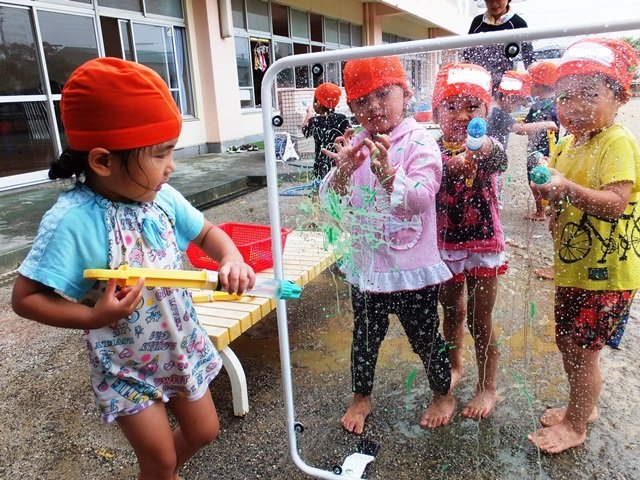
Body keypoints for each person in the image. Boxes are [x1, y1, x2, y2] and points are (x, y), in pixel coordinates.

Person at [11, 57, 256, 480]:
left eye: (172, 151)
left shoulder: (162, 197)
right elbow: (25, 298)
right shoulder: (72, 220)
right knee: (159, 461)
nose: (172, 166)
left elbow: (208, 233)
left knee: (205, 431)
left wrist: (230, 257)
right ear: (104, 161)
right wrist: (93, 316)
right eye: (161, 154)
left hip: (181, 348)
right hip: (124, 364)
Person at [318, 56, 455, 434]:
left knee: (426, 338)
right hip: (368, 269)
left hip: (412, 270)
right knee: (363, 338)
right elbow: (329, 200)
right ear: (352, 108)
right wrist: (343, 171)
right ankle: (362, 395)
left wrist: (391, 176)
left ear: (405, 93)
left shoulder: (420, 142)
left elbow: (422, 199)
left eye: (383, 94)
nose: (374, 106)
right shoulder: (357, 145)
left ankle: (443, 393)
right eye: (362, 101)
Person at [528, 38, 640, 454]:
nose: (573, 107)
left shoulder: (616, 142)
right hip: (576, 267)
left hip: (608, 271)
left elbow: (616, 203)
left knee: (584, 348)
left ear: (619, 97)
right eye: (565, 97)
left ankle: (576, 424)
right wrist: (547, 192)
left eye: (589, 95)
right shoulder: (569, 142)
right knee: (566, 340)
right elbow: (553, 186)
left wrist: (566, 188)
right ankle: (582, 405)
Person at [432, 63, 508, 419]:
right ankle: (455, 364)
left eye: (472, 106)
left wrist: (483, 146)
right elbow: (427, 175)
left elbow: (500, 158)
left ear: (486, 110)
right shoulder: (432, 149)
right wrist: (450, 165)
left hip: (483, 246)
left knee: (481, 319)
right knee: (452, 312)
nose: (462, 114)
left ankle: (487, 386)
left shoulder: (487, 147)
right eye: (451, 106)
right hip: (445, 245)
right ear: (435, 112)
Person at [487, 70, 558, 208]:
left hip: (491, 157)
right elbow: (520, 130)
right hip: (492, 159)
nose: (515, 108)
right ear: (508, 97)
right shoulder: (499, 113)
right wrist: (547, 124)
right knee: (493, 188)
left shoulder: (492, 110)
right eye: (517, 104)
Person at [463, 0, 534, 93]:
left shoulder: (518, 23)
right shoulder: (477, 22)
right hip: (480, 82)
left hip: (506, 85)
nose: (493, 3)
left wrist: (534, 73)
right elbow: (467, 54)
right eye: (489, 0)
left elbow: (528, 56)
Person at [524, 61, 561, 222]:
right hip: (551, 148)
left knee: (535, 179)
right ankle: (552, 210)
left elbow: (527, 125)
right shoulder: (557, 103)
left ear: (539, 85)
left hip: (537, 149)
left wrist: (518, 127)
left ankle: (540, 212)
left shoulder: (538, 105)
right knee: (548, 178)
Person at [301, 82, 350, 183]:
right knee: (339, 189)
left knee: (320, 190)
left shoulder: (314, 121)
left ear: (318, 102)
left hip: (320, 164)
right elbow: (350, 134)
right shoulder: (342, 119)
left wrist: (309, 114)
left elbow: (305, 131)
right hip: (338, 162)